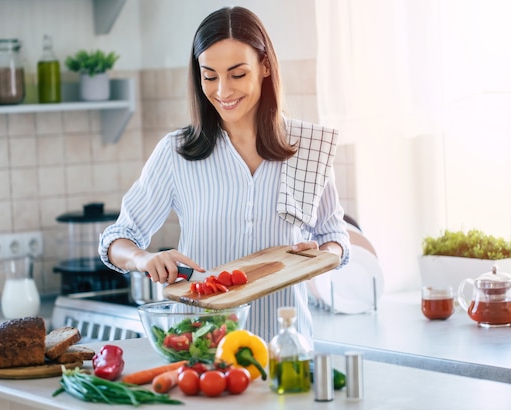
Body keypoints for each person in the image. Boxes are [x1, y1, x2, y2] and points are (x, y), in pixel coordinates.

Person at [99, 6, 350, 344]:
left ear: (264, 66)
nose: (222, 91)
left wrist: (320, 255)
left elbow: (335, 236)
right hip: (200, 351)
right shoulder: (176, 152)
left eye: (237, 74)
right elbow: (117, 238)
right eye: (210, 75)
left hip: (284, 348)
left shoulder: (309, 148)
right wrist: (144, 258)